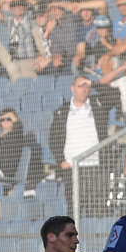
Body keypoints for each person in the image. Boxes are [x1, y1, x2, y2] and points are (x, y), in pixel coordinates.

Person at [48, 75, 110, 210]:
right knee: (74, 209)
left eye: (86, 86)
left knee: (98, 208)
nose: (84, 89)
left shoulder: (97, 104)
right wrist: (61, 161)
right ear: (72, 89)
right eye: (80, 86)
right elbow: (53, 139)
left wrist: (93, 83)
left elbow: (114, 95)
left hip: (95, 167)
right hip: (72, 168)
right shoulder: (62, 111)